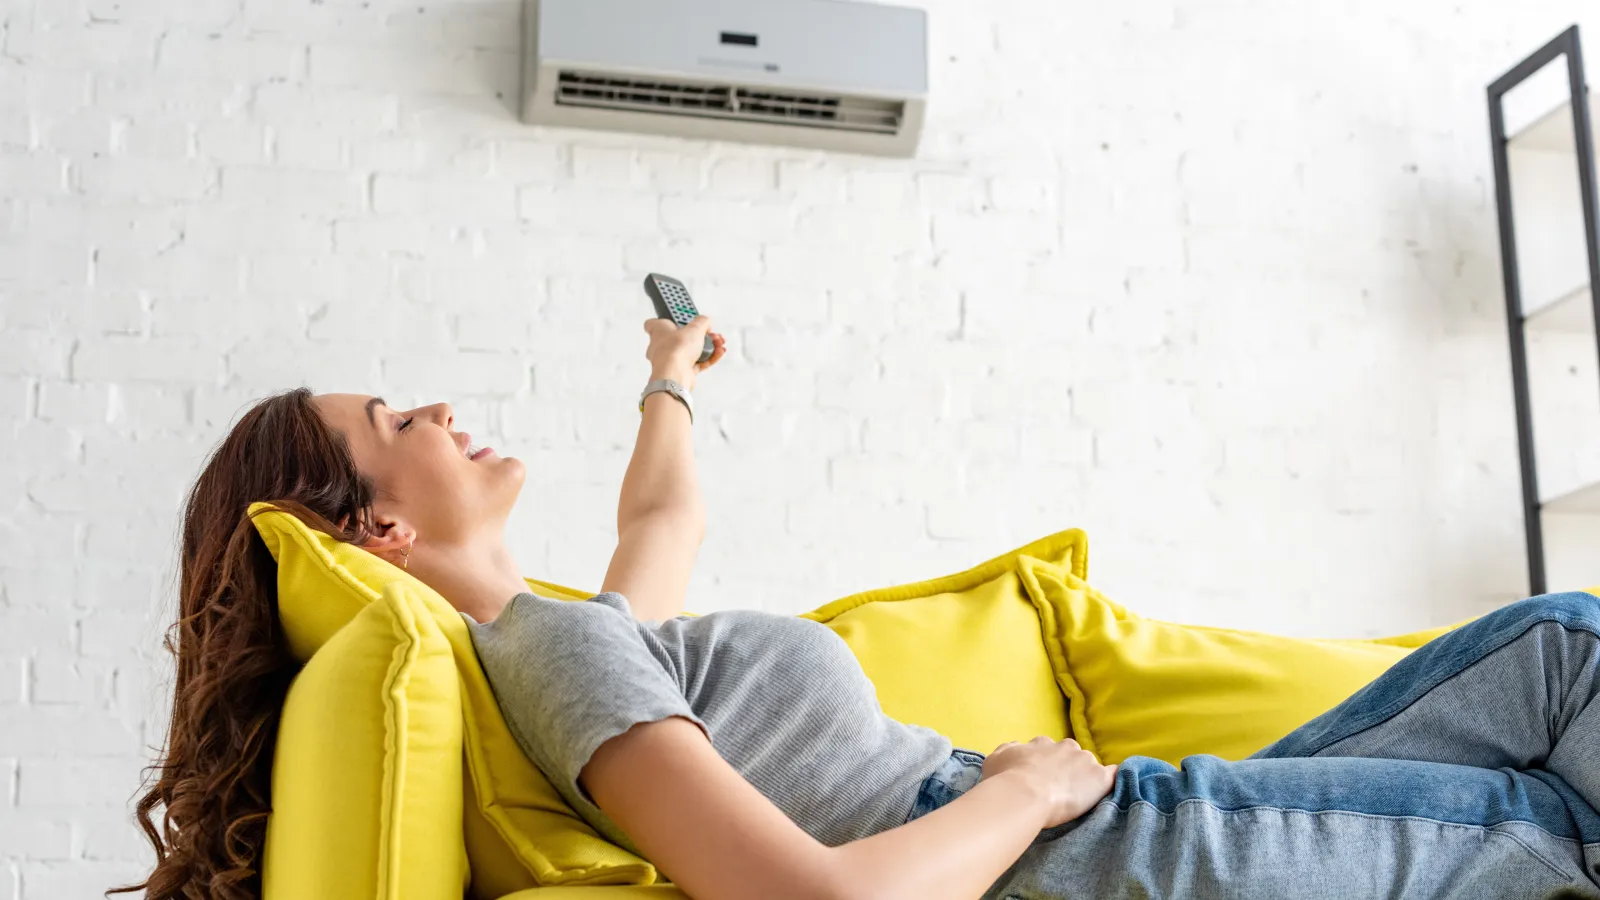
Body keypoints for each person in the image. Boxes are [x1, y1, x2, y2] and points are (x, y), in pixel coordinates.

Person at [116, 312, 1600, 900]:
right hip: (1092, 857)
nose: (437, 403)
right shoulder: (553, 653)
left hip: (1111, 851)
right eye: (394, 415)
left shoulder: (570, 635)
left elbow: (662, 520)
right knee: (1558, 792)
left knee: (1556, 669)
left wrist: (669, 379)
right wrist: (1021, 790)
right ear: (377, 522)